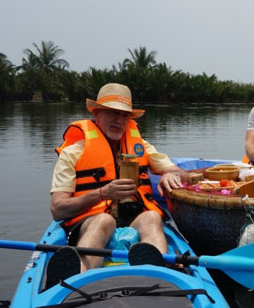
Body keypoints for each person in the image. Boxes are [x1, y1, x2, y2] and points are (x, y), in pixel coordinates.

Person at [46, 82, 189, 288]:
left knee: (151, 217)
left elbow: (183, 175)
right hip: (89, 220)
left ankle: (156, 274)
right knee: (103, 221)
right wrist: (102, 193)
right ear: (96, 114)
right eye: (112, 112)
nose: (119, 120)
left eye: (124, 115)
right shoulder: (73, 153)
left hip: (133, 218)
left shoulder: (142, 147)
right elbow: (58, 210)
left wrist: (171, 175)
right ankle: (78, 280)